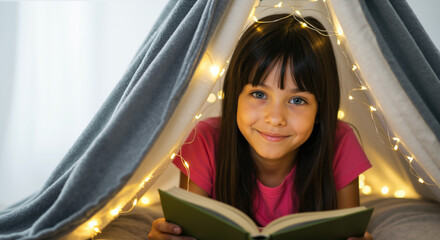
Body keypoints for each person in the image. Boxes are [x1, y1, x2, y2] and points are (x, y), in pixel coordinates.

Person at [148, 14, 372, 240]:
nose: (275, 118)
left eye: (297, 100)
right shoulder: (203, 140)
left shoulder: (340, 141)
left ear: (320, 109)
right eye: (259, 94)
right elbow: (187, 230)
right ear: (236, 95)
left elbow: (349, 231)